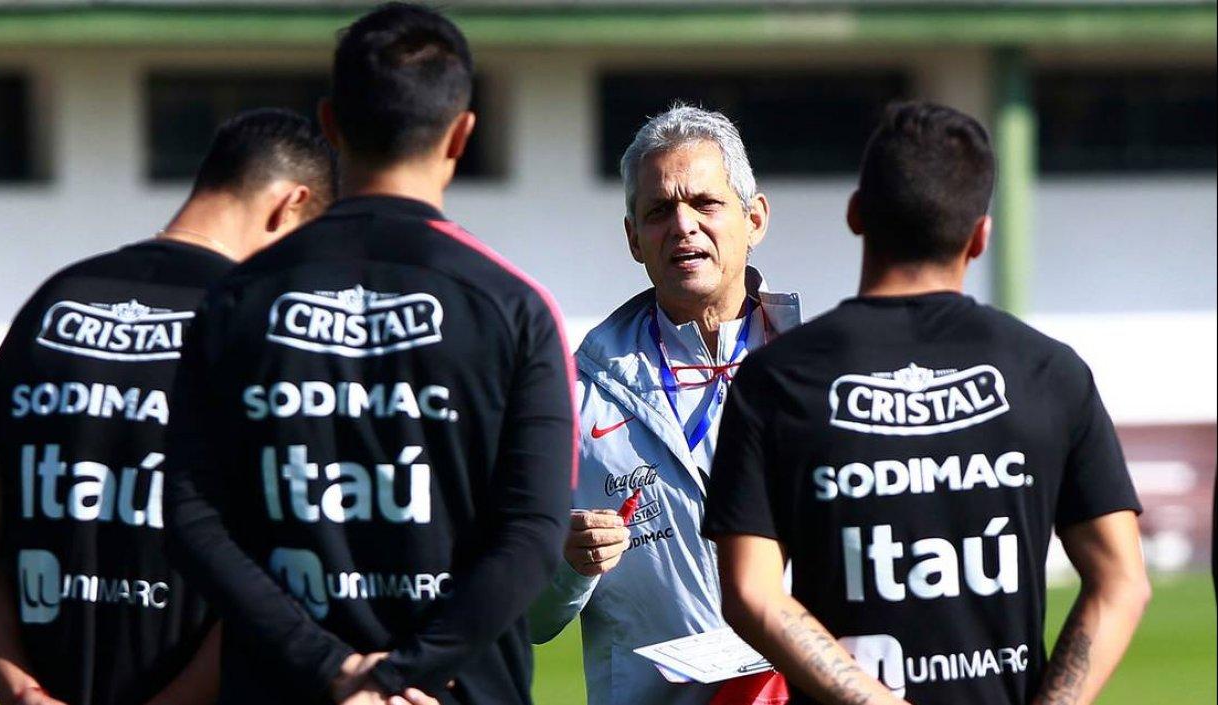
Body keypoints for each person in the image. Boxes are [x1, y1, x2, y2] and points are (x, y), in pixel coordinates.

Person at [162, 5, 576, 705]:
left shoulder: (235, 301)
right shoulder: (517, 307)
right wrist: (403, 673)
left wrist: (335, 670)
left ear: (328, 126)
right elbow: (534, 532)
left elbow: (188, 517)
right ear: (462, 134)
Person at [704, 101, 1151, 705]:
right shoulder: (1050, 373)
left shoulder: (775, 381)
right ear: (981, 236)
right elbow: (1122, 582)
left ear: (857, 215)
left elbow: (751, 593)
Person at [0, 107, 336, 705]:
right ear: (289, 204)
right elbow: (282, 568)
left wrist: (22, 693)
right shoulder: (258, 331)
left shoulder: (53, 304)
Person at [527, 105, 802, 705]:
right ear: (633, 238)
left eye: (705, 203)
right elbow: (531, 619)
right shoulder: (577, 393)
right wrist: (570, 563)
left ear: (753, 219)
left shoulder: (820, 373)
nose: (682, 226)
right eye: (658, 211)